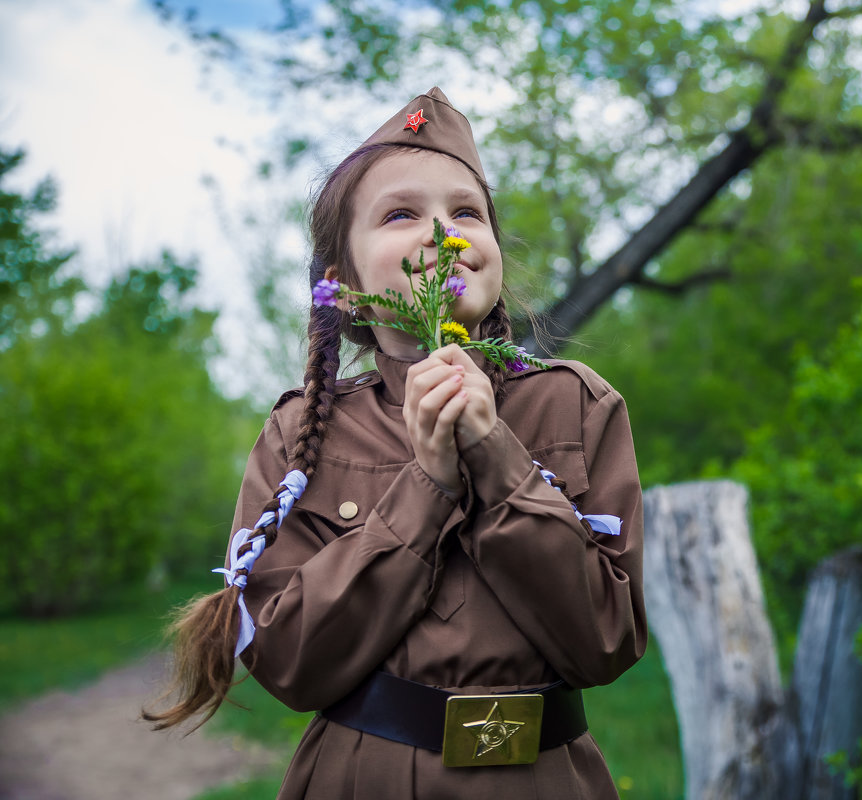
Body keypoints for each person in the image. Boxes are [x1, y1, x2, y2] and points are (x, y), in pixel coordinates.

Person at [145, 87, 646, 799]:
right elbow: (289, 664)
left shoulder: (578, 404)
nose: (442, 235)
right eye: (401, 214)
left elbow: (608, 640)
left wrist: (498, 460)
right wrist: (429, 484)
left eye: (466, 213)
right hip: (363, 776)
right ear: (343, 280)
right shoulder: (300, 433)